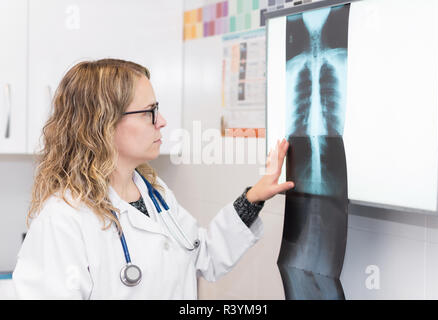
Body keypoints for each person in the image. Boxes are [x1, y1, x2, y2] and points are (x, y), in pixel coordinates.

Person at [12, 59, 294, 299]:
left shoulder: (154, 194)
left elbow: (204, 256)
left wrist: (253, 198)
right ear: (103, 123)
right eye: (149, 112)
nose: (162, 121)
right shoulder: (64, 218)